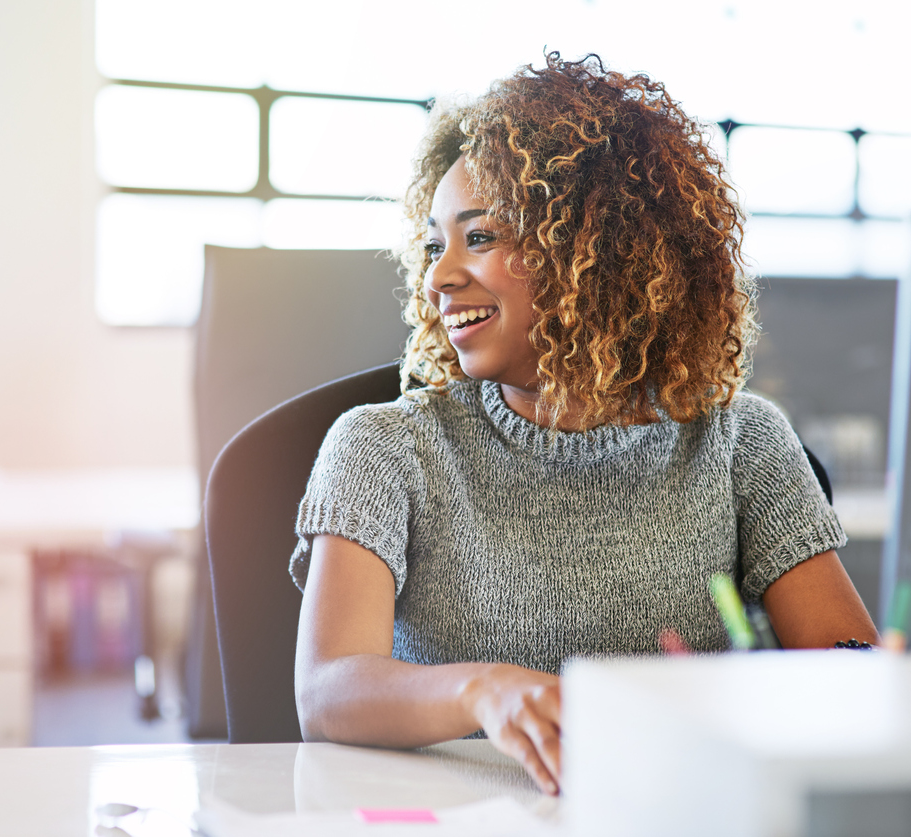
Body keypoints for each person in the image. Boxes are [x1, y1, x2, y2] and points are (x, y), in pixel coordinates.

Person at [289, 53, 878, 796]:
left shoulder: (741, 443)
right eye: (436, 244)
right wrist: (483, 691)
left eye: (479, 237)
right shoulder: (385, 446)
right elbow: (328, 693)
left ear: (592, 251)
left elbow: (847, 666)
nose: (438, 275)